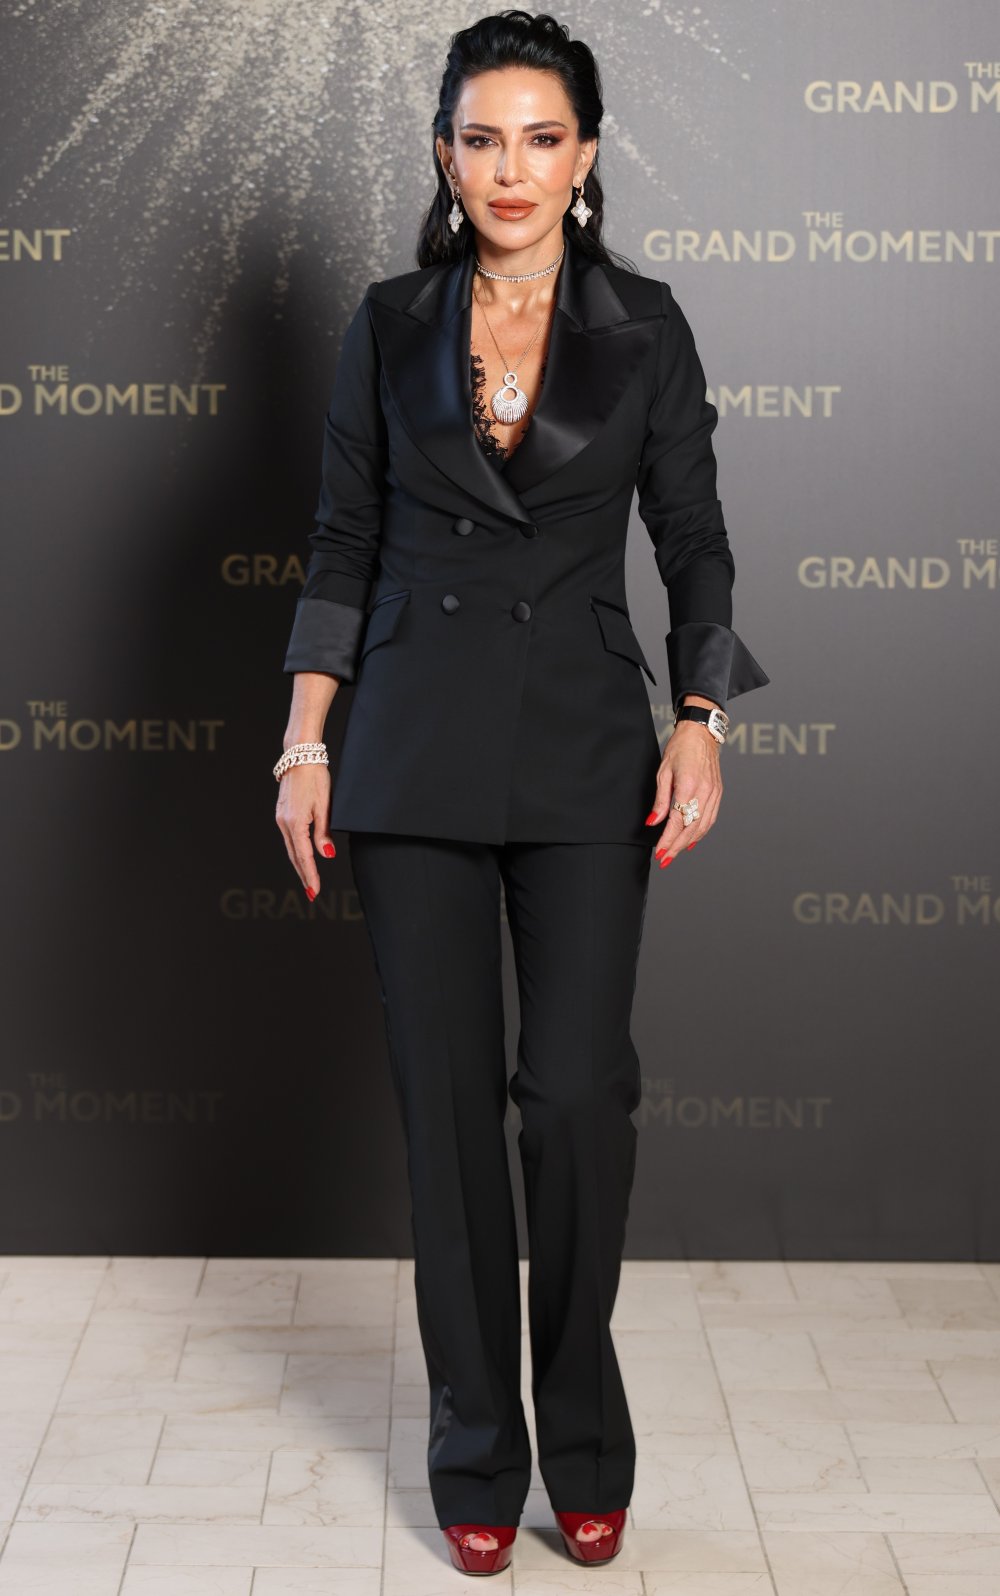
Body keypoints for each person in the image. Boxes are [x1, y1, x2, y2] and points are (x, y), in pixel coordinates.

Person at [274, 9, 770, 1577]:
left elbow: (695, 539)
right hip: (410, 751)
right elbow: (342, 544)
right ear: (444, 154)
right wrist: (305, 742)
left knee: (571, 1099)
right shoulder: (387, 324)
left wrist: (702, 716)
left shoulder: (647, 326)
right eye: (481, 138)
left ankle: (588, 1432)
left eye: (540, 138)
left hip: (581, 753)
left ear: (585, 155)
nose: (510, 167)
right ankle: (476, 1446)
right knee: (446, 1121)